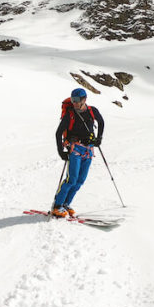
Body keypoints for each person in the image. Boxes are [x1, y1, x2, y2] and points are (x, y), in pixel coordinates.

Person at [52, 88, 104, 218]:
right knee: (71, 179)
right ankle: (57, 206)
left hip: (88, 149)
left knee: (80, 180)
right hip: (74, 148)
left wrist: (99, 138)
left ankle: (66, 204)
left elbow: (101, 122)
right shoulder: (70, 114)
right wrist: (61, 151)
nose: (74, 103)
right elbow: (58, 133)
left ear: (84, 99)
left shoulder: (92, 111)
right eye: (72, 100)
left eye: (77, 100)